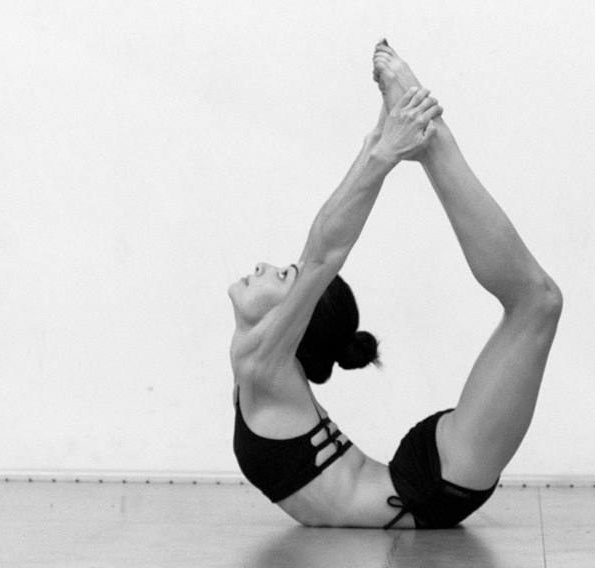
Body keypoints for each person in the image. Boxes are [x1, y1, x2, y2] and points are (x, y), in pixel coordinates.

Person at [228, 40, 562, 529]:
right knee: (537, 302)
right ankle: (426, 132)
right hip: (431, 483)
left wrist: (383, 141)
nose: (262, 266)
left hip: (430, 481)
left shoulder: (264, 365)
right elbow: (319, 252)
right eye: (282, 273)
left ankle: (429, 134)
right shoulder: (265, 365)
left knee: (539, 301)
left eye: (281, 276)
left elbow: (322, 251)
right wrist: (382, 147)